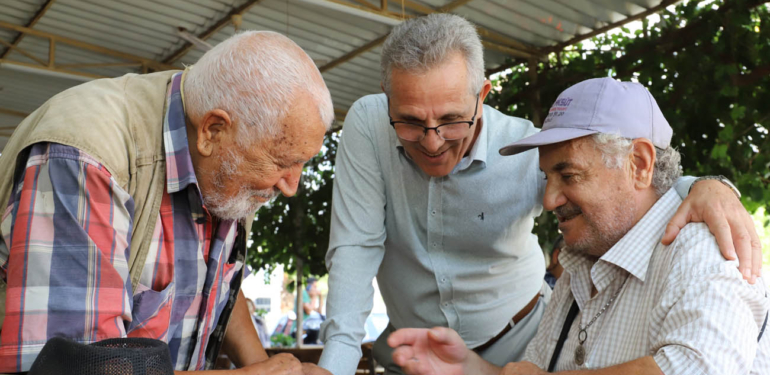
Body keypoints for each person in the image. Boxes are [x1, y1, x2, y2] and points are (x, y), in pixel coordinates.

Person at [317, 13, 763, 375]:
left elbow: (697, 368)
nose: (432, 142)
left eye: (567, 175)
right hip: (429, 356)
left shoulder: (701, 251)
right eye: (411, 122)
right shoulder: (577, 271)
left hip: (515, 333)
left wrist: (710, 188)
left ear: (483, 97)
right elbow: (356, 245)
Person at [0, 31, 333, 374]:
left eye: (302, 163)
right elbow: (79, 369)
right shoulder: (87, 156)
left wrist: (269, 366)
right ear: (212, 131)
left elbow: (214, 289)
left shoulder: (228, 171)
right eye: (281, 162)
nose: (291, 185)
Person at [387, 77, 770, 375]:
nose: (550, 199)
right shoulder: (581, 261)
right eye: (546, 178)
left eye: (568, 175)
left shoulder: (703, 249)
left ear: (638, 164)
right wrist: (473, 369)